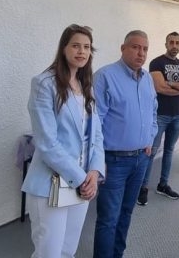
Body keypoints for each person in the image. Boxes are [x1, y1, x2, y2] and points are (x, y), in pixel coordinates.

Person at [22, 24, 104, 258]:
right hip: (52, 183)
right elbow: (47, 143)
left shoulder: (86, 86)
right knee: (49, 252)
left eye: (86, 47)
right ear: (63, 48)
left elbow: (97, 135)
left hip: (82, 183)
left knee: (68, 251)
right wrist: (81, 178)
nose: (82, 51)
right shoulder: (44, 84)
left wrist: (95, 172)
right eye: (75, 45)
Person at [93, 30, 158, 258]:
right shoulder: (105, 77)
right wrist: (98, 159)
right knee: (108, 219)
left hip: (141, 160)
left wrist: (149, 139)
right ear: (123, 48)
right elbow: (95, 122)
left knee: (126, 213)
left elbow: (153, 112)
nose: (141, 53)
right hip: (114, 161)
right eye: (135, 47)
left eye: (145, 49)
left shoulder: (147, 78)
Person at [138, 32, 179, 205]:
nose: (174, 45)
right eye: (171, 42)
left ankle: (163, 184)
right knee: (151, 151)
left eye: (177, 43)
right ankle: (142, 188)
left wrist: (171, 83)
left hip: (177, 114)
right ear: (166, 44)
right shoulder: (157, 62)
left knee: (169, 151)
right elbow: (160, 88)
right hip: (160, 115)